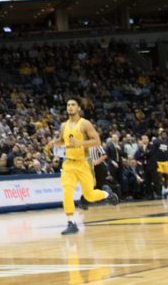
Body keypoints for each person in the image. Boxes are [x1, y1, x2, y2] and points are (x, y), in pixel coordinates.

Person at [47, 98, 119, 235]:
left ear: (79, 108)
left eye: (73, 105)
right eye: (68, 105)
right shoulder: (63, 125)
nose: (70, 107)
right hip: (68, 163)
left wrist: (79, 143)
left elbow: (97, 141)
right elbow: (63, 141)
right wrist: (54, 143)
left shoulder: (85, 124)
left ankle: (106, 194)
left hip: (83, 163)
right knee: (67, 191)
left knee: (90, 195)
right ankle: (71, 223)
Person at [151, 129, 168, 198]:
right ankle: (161, 189)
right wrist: (154, 160)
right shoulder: (156, 141)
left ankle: (166, 190)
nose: (164, 135)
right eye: (163, 134)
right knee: (159, 175)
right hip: (158, 161)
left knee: (167, 176)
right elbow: (152, 151)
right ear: (160, 135)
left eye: (165, 134)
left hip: (166, 161)